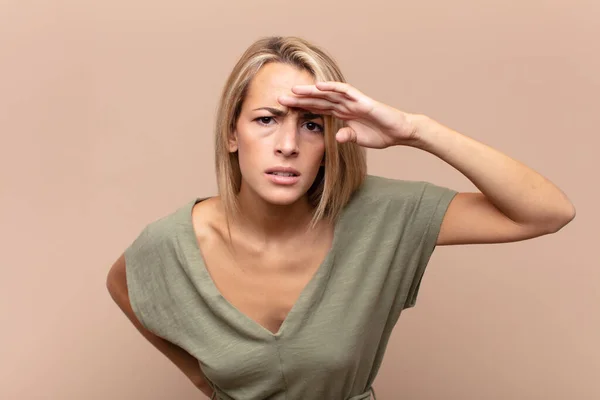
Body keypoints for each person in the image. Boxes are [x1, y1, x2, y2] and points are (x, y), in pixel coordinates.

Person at [106, 36, 575, 400]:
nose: (288, 144)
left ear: (331, 140)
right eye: (266, 119)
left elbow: (548, 212)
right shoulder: (172, 242)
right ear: (232, 133)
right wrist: (204, 380)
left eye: (312, 124)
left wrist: (415, 130)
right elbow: (122, 285)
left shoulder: (384, 215)